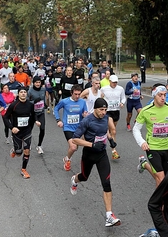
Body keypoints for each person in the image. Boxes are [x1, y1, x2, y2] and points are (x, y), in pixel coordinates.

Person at [71, 98, 121, 227]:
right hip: (89, 155)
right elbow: (75, 139)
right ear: (95, 108)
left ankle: (109, 215)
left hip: (102, 155)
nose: (104, 112)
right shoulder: (87, 121)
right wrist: (92, 144)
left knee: (106, 182)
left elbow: (105, 131)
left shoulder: (106, 118)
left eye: (105, 110)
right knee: (84, 177)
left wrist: (110, 140)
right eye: (101, 110)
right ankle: (74, 180)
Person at [132, 85, 168, 187]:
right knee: (161, 176)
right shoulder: (146, 111)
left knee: (166, 177)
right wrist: (142, 142)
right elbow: (136, 129)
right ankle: (160, 202)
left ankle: (144, 164)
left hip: (167, 147)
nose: (163, 98)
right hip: (152, 147)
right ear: (154, 96)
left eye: (164, 95)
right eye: (160, 95)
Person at [3, 87, 41, 179]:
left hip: (27, 130)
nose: (23, 93)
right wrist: (12, 128)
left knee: (27, 150)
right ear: (18, 94)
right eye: (21, 92)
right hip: (17, 132)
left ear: (26, 94)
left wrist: (36, 121)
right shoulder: (14, 105)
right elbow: (5, 117)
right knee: (19, 153)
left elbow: (34, 114)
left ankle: (23, 169)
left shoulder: (30, 105)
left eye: (24, 92)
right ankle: (15, 150)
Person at [54, 85, 88, 171]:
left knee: (75, 147)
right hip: (68, 127)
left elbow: (85, 112)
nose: (77, 96)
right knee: (73, 147)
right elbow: (56, 108)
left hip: (79, 128)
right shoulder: (65, 101)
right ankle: (68, 159)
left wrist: (84, 115)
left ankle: (67, 157)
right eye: (75, 94)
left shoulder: (82, 102)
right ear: (71, 93)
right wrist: (58, 120)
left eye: (79, 94)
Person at [101, 75, 126, 159]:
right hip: (107, 111)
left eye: (116, 82)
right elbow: (99, 97)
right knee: (114, 131)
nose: (115, 84)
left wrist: (122, 103)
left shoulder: (120, 89)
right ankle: (114, 151)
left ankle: (106, 137)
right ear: (110, 81)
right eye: (113, 82)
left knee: (112, 131)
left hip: (116, 111)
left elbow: (123, 98)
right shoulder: (104, 88)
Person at [27, 76, 47, 154]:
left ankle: (39, 146)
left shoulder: (43, 90)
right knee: (29, 130)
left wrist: (45, 104)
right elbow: (27, 102)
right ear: (33, 83)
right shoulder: (30, 91)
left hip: (41, 112)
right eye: (36, 82)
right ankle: (28, 143)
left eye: (39, 82)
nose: (38, 84)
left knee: (42, 129)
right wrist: (34, 101)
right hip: (32, 113)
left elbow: (43, 98)